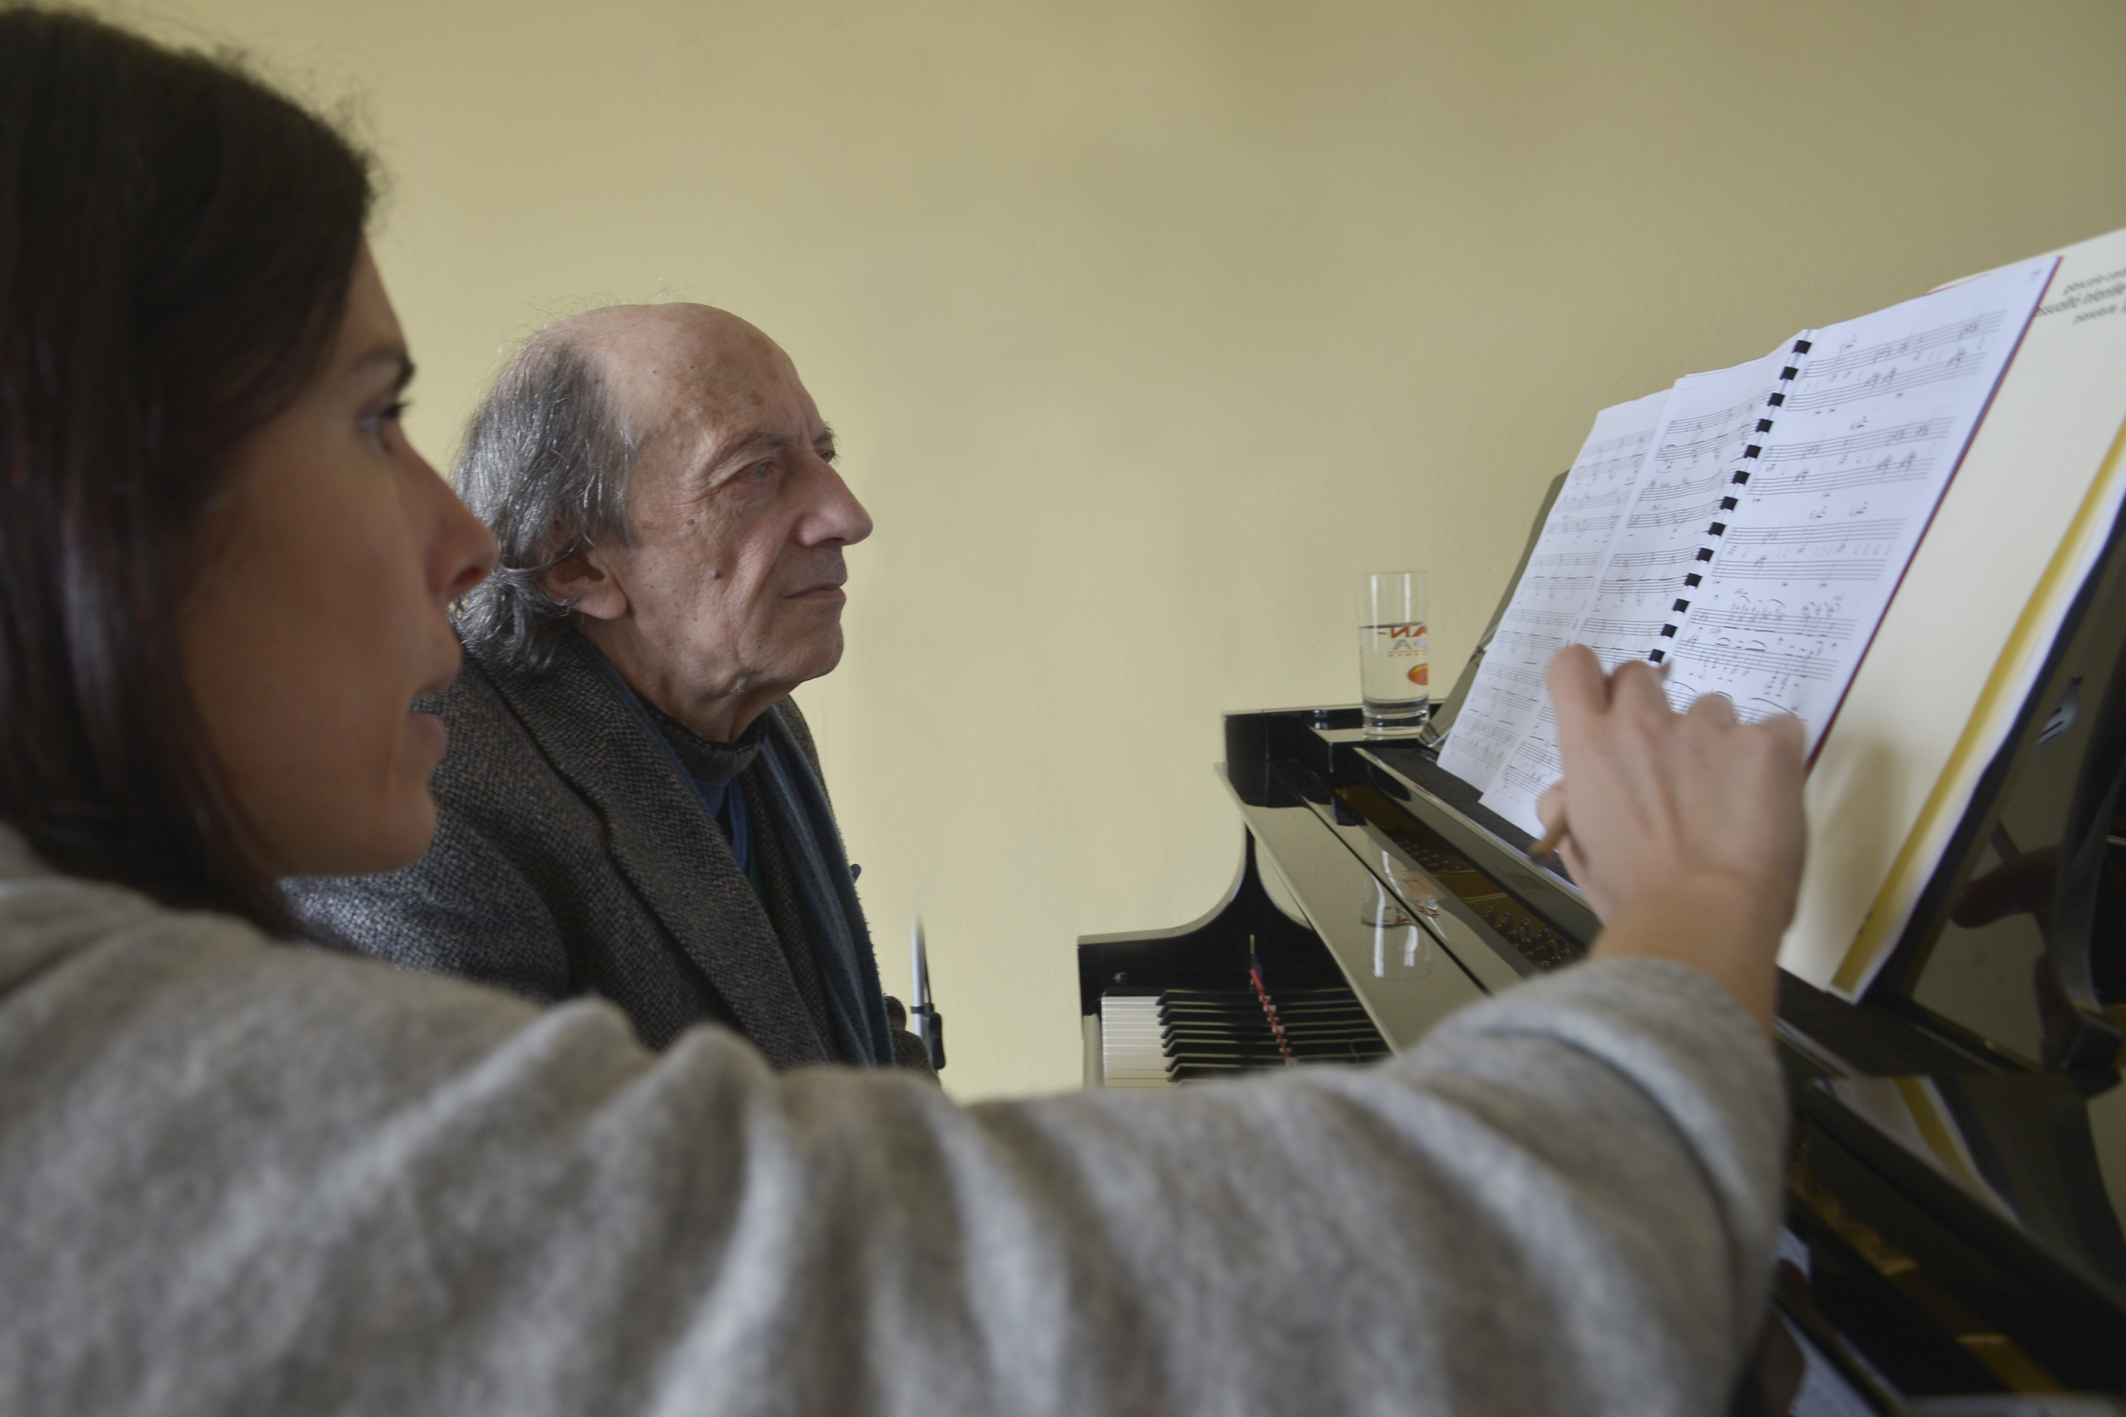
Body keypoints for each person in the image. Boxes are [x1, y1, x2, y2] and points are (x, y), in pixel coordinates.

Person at [0, 9, 1806, 1414]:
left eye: (829, 457)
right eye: (374, 414)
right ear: (92, 496)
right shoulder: (272, 958)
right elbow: (832, 1284)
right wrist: (1694, 906)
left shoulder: (737, 706)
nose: (447, 531)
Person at [288, 306, 930, 1069]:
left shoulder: (755, 714)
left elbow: (829, 1019)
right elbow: (545, 1168)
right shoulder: (429, 794)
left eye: (823, 454)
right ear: (579, 566)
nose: (846, 516)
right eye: (756, 472)